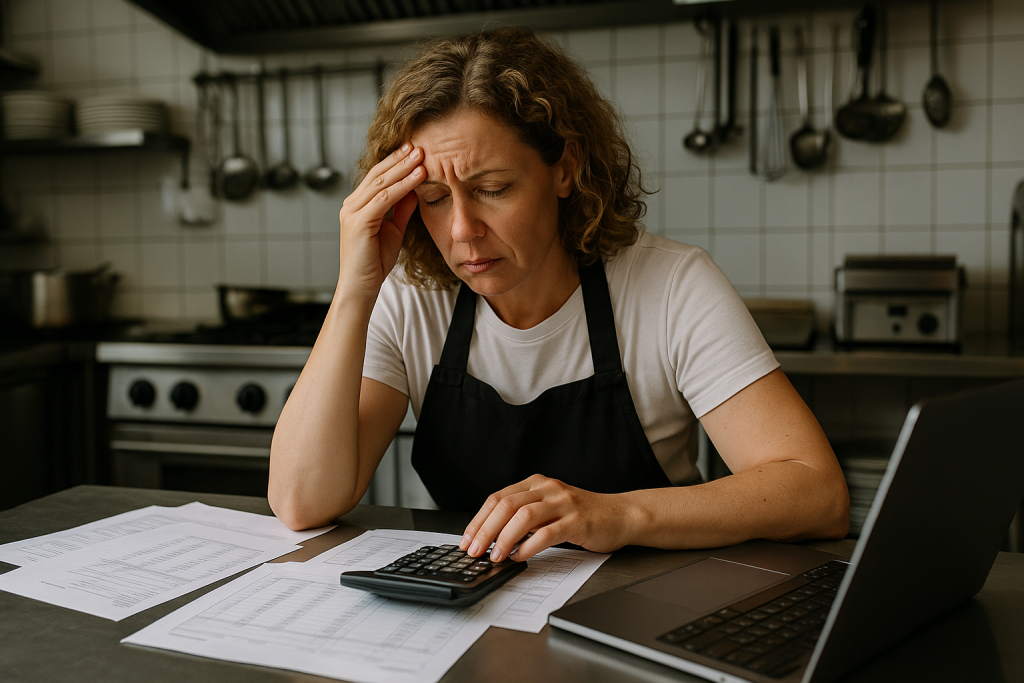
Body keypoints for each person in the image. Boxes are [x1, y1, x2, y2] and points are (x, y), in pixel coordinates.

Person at [268, 27, 849, 564]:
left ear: (565, 170)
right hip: (468, 613)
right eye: (435, 198)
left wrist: (616, 512)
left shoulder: (670, 286)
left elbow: (815, 491)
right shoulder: (409, 300)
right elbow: (301, 501)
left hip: (645, 605)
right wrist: (354, 289)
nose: (462, 230)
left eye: (492, 189)